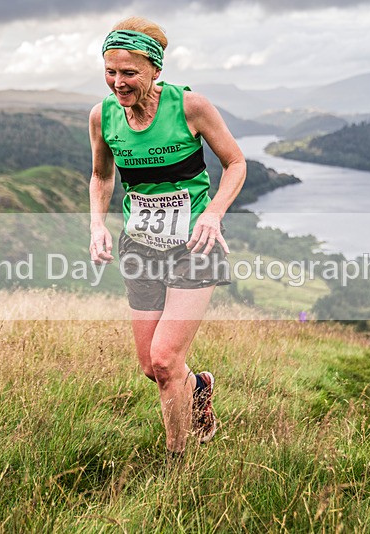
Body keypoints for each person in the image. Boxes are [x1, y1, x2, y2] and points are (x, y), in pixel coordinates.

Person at [88, 17, 247, 458]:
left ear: (156, 70)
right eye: (110, 71)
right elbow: (101, 176)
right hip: (140, 245)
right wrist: (97, 224)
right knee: (151, 367)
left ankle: (178, 462)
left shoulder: (190, 107)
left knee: (164, 359)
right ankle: (198, 386)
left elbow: (236, 163)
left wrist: (213, 214)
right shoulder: (103, 116)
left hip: (195, 245)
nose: (118, 82)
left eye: (129, 73)